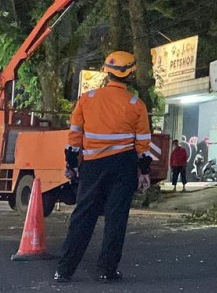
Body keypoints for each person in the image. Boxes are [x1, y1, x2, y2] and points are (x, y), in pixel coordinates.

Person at [56, 51, 153, 284]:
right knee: (116, 218)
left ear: (106, 71)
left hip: (92, 166)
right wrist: (144, 172)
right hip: (123, 166)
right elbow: (143, 144)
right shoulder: (136, 104)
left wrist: (72, 166)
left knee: (83, 216)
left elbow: (74, 137)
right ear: (129, 74)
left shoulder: (86, 99)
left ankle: (64, 270)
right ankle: (107, 270)